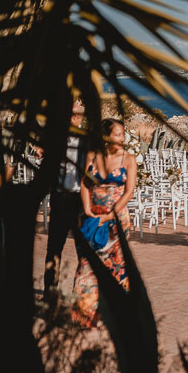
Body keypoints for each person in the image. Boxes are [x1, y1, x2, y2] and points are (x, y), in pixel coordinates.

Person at [71, 118, 137, 328]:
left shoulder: (128, 160)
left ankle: (116, 316)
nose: (122, 138)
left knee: (116, 265)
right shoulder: (93, 156)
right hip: (92, 218)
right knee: (86, 264)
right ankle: (85, 315)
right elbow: (84, 183)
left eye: (123, 134)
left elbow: (129, 192)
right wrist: (88, 209)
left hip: (116, 221)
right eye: (118, 134)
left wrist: (110, 216)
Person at [44, 100, 89, 293]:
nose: (74, 117)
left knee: (84, 250)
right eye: (72, 114)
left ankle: (81, 293)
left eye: (78, 114)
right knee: (54, 248)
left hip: (80, 200)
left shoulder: (88, 140)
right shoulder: (55, 138)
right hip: (60, 197)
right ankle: (50, 292)